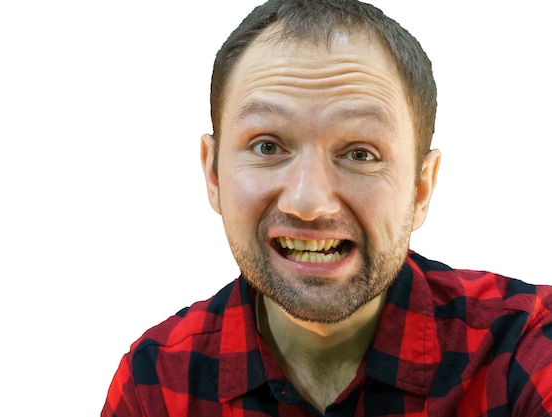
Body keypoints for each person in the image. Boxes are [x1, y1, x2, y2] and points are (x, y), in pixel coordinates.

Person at [101, 0, 552, 415]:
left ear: (420, 189)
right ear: (214, 174)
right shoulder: (154, 384)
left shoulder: (523, 351)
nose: (308, 202)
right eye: (267, 145)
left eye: (360, 153)